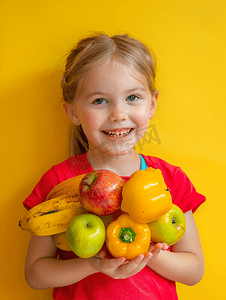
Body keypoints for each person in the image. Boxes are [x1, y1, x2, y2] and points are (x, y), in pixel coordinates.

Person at [24, 33, 206, 300]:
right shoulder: (60, 181)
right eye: (100, 101)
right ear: (72, 111)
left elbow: (194, 270)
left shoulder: (168, 179)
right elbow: (35, 273)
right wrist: (92, 264)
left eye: (132, 98)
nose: (118, 114)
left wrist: (147, 253)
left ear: (152, 103)